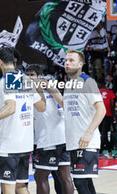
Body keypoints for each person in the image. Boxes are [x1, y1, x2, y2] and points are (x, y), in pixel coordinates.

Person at [0, 47, 46, 194]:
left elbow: (11, 107)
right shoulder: (24, 79)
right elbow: (41, 107)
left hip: (9, 145)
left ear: (0, 62)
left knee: (7, 188)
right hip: (25, 145)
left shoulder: (8, 80)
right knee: (21, 187)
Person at [49, 49, 106, 194]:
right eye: (66, 60)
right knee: (85, 182)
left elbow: (102, 109)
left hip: (87, 141)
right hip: (74, 141)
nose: (67, 63)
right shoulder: (69, 84)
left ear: (80, 64)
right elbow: (66, 105)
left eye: (71, 60)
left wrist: (88, 133)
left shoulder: (88, 81)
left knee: (80, 183)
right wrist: (52, 90)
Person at [26, 64, 73, 194]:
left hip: (50, 140)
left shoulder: (42, 89)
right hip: (61, 138)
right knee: (64, 177)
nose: (29, 78)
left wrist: (50, 88)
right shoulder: (33, 90)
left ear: (40, 76)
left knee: (40, 177)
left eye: (32, 75)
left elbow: (64, 104)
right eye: (28, 75)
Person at [98, 78, 116, 158]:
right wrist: (114, 115)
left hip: (99, 115)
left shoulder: (96, 92)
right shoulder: (110, 92)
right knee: (103, 134)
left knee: (102, 134)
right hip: (107, 115)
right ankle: (107, 151)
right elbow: (112, 105)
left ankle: (102, 151)